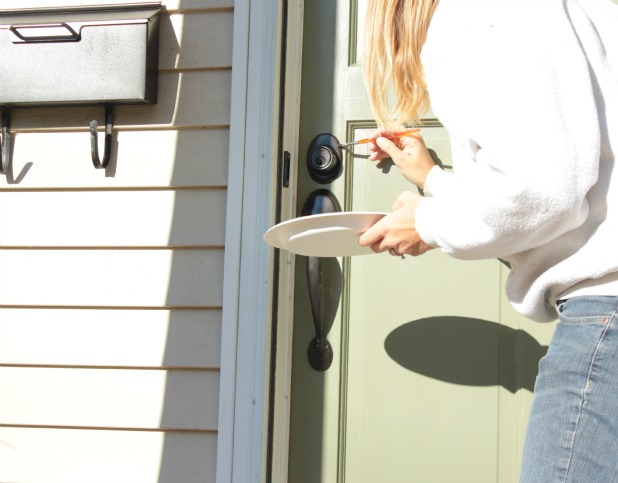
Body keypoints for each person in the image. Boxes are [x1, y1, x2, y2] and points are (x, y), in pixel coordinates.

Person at [358, 0, 618, 481]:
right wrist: (433, 179)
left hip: (606, 316)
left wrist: (427, 224)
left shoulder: (474, 15)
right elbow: (569, 182)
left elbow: (543, 190)